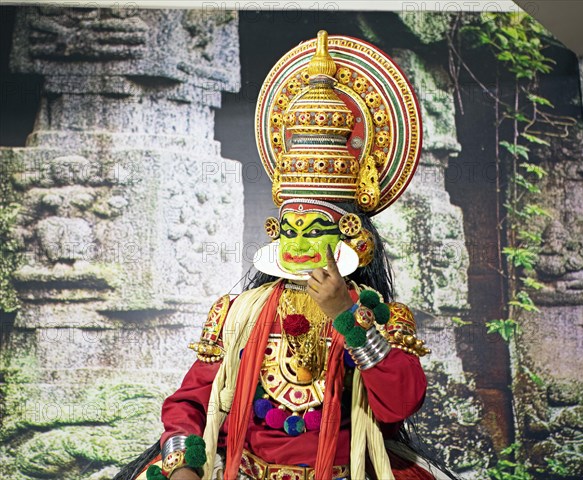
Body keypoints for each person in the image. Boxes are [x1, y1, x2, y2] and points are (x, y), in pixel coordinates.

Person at [119, 30, 456, 480]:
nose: (295, 246)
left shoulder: (380, 315)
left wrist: (346, 316)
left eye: (312, 231)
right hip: (243, 468)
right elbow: (187, 405)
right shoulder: (238, 314)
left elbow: (398, 405)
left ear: (348, 235)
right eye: (289, 230)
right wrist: (185, 468)